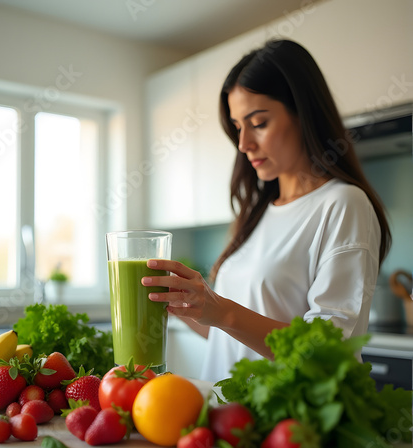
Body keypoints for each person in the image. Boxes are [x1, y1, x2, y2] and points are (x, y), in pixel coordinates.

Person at [141, 39, 391, 383]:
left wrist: (222, 311)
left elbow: (330, 351)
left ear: (303, 113)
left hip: (289, 427)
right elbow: (230, 341)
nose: (243, 144)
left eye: (258, 122)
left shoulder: (343, 205)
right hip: (230, 420)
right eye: (237, 126)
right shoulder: (257, 214)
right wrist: (187, 308)